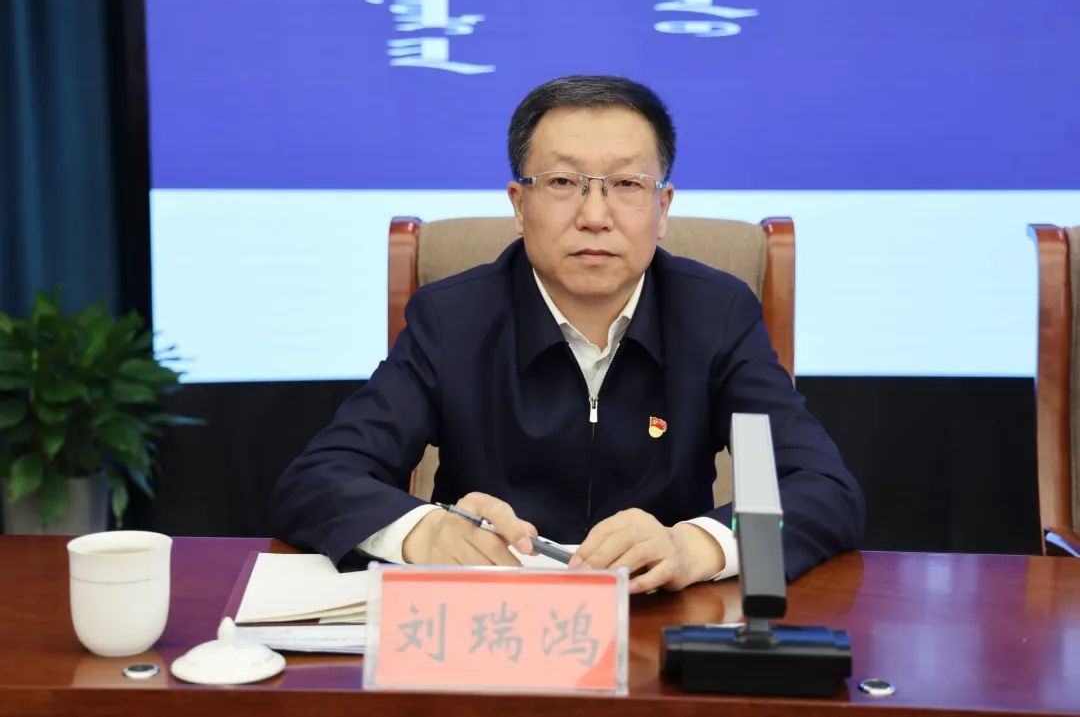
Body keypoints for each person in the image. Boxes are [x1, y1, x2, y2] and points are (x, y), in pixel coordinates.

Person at [270, 75, 864, 592]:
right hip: (491, 622)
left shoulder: (716, 313)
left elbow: (822, 488)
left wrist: (693, 547)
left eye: (626, 185)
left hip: (658, 617)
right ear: (518, 204)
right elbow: (318, 479)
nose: (595, 216)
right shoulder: (452, 318)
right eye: (561, 182)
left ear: (662, 208)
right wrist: (425, 533)